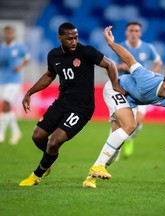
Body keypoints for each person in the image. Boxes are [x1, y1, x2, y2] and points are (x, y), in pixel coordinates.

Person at [82, 26, 165, 189]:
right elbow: (128, 58)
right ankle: (97, 167)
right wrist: (111, 43)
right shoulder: (146, 78)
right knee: (131, 125)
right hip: (116, 89)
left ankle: (90, 178)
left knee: (114, 151)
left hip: (130, 102)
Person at [19, 22, 125, 186]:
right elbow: (49, 75)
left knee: (54, 141)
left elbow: (110, 64)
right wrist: (29, 92)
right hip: (62, 103)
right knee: (37, 136)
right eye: (70, 39)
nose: (74, 42)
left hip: (82, 108)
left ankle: (36, 175)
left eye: (76, 38)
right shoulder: (53, 55)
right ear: (60, 38)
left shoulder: (86, 51)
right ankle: (49, 160)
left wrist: (116, 86)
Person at [111, 21, 163, 159]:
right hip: (123, 89)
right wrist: (121, 67)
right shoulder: (119, 47)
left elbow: (159, 62)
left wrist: (151, 74)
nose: (133, 33)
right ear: (126, 32)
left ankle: (128, 139)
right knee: (120, 121)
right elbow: (109, 66)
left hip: (141, 89)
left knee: (138, 121)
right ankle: (113, 148)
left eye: (136, 31)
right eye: (131, 30)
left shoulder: (147, 48)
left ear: (140, 33)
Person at [0, 25, 30, 145]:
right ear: (3, 34)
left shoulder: (19, 48)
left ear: (13, 34)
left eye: (10, 33)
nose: (8, 35)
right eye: (6, 33)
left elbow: (27, 58)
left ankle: (1, 133)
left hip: (14, 81)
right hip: (2, 81)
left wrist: (20, 66)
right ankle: (16, 132)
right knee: (7, 107)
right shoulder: (1, 48)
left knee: (6, 103)